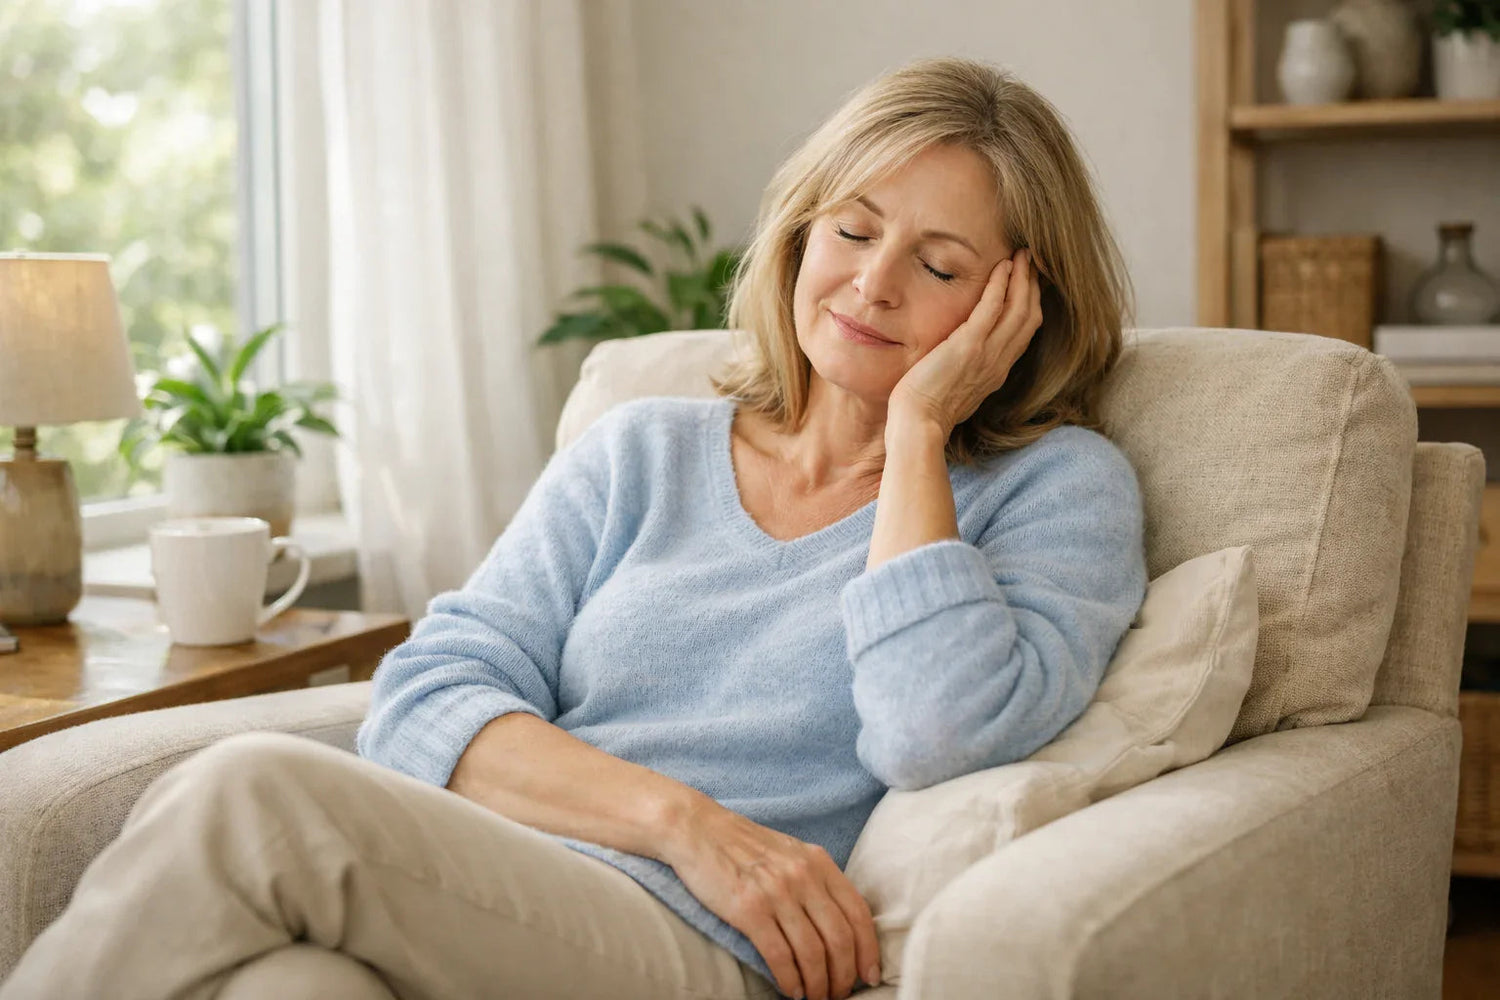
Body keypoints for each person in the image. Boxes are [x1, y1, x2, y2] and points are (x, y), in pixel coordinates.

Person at [0, 56, 1146, 1000]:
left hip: (704, 950)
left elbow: (934, 731)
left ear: (1016, 306)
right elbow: (427, 693)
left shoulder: (1056, 488)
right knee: (291, 987)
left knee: (253, 792)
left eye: (939, 265)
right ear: (801, 235)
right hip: (501, 892)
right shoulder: (640, 450)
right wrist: (685, 822)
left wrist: (919, 432)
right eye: (852, 229)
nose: (874, 282)